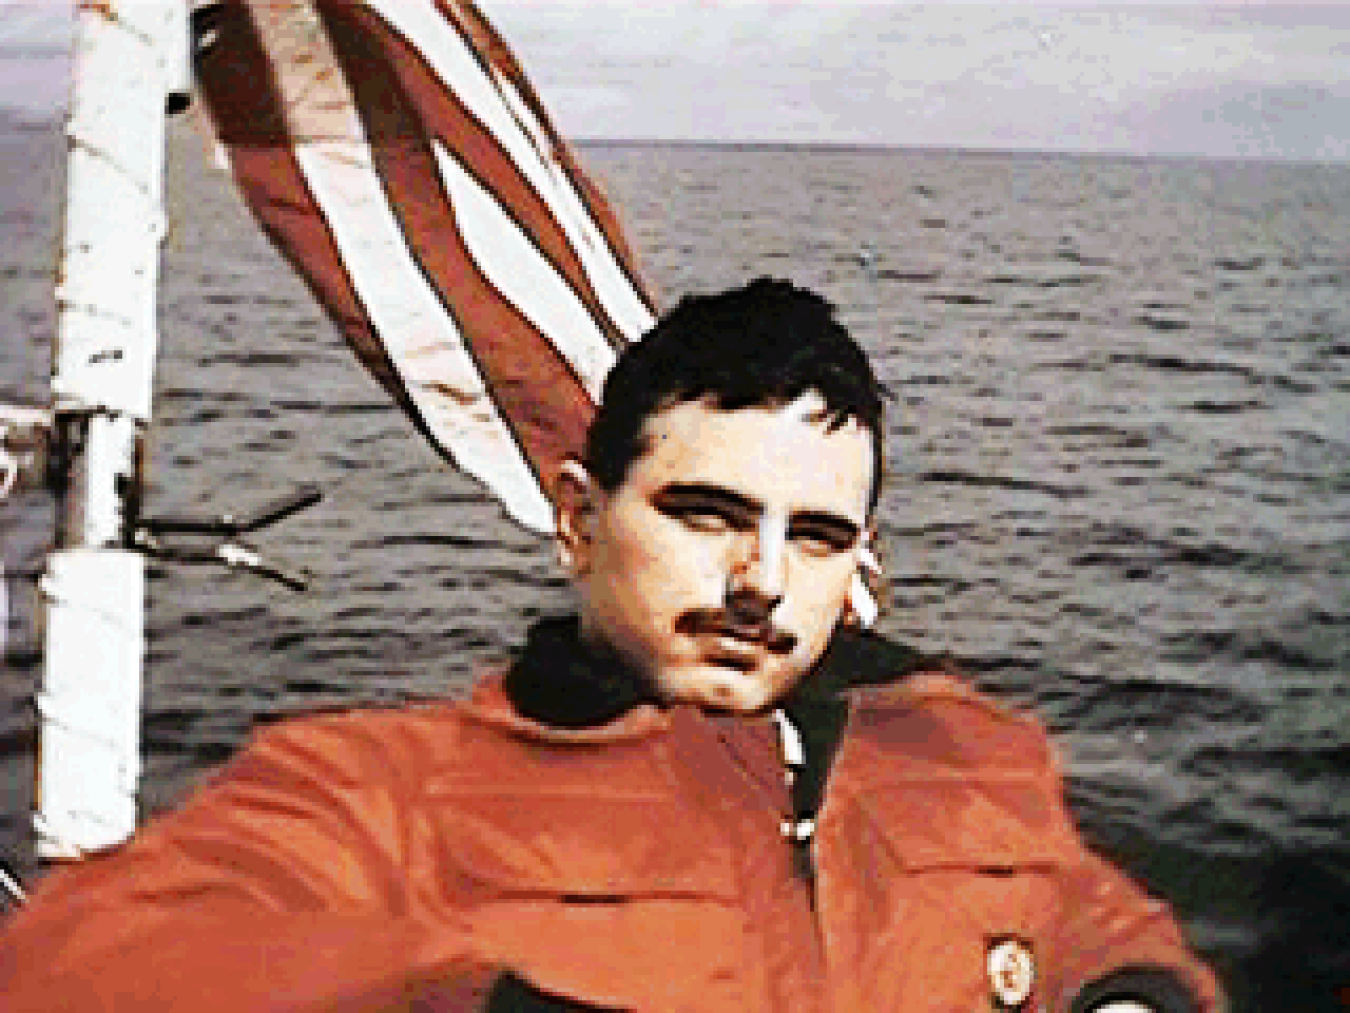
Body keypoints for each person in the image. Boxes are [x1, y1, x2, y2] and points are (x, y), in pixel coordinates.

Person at [0, 279, 1220, 1011]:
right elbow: (72, 968)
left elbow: (1094, 919)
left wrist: (1131, 995)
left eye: (818, 536)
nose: (761, 579)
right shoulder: (385, 792)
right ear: (579, 520)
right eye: (709, 514)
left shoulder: (967, 748)